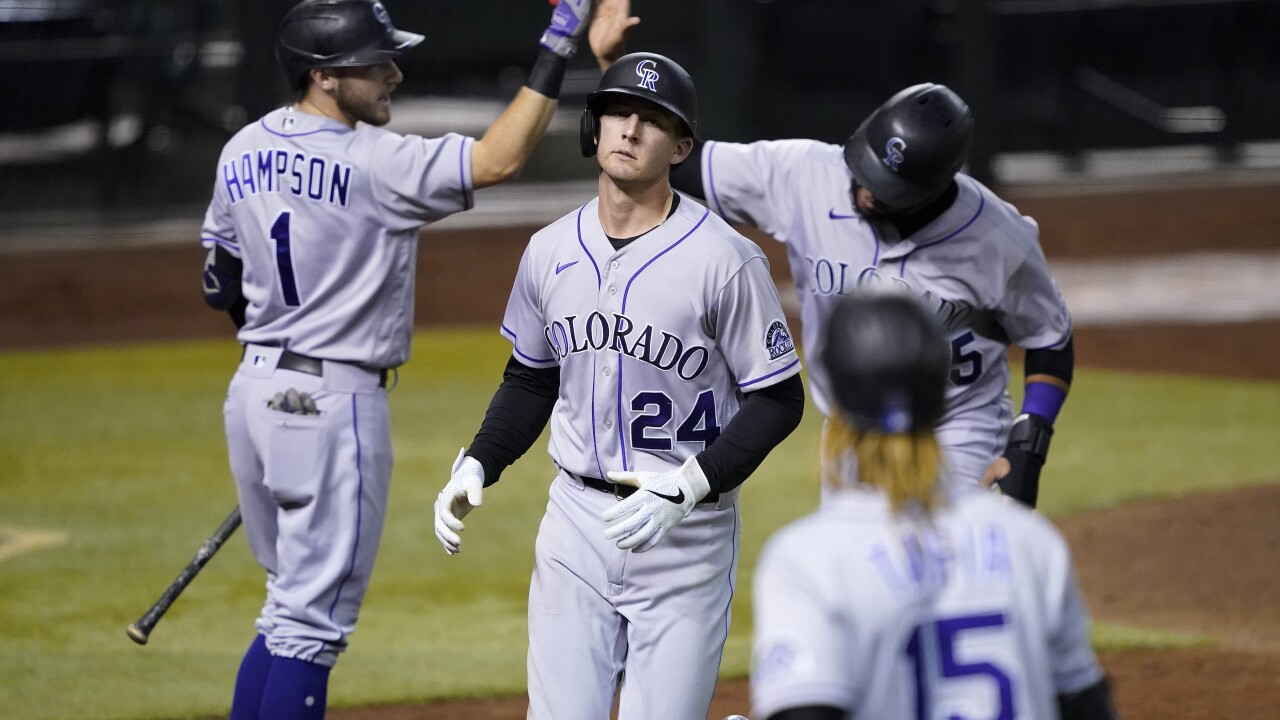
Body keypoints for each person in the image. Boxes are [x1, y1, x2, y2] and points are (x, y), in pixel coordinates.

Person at [197, 1, 621, 717]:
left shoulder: (240, 149)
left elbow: (221, 284)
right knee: (313, 624)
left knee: (286, 608)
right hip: (334, 404)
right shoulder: (375, 162)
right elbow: (499, 160)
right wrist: (558, 40)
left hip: (255, 393)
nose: (394, 72)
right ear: (325, 77)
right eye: (375, 63)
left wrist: (282, 358)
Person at [432, 52, 805, 719]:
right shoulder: (549, 251)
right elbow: (530, 380)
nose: (630, 130)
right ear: (593, 129)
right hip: (575, 527)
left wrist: (692, 483)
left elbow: (779, 399)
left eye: (653, 121)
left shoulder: (725, 260)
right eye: (618, 113)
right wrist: (478, 461)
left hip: (686, 536)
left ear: (680, 146)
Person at [657, 75, 1073, 508]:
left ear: (936, 187)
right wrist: (638, 89)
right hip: (851, 432)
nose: (869, 191)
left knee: (949, 565)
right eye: (866, 169)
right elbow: (679, 160)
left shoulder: (999, 238)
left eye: (890, 189)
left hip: (957, 430)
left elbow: (1050, 339)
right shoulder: (805, 176)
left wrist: (1030, 441)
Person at [749, 292, 1119, 720]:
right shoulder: (1030, 541)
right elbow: (1087, 706)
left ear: (836, 397)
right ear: (941, 394)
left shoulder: (808, 558)